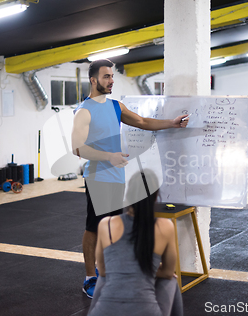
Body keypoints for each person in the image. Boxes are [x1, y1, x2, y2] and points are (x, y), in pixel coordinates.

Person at [71, 59, 189, 298]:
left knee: (114, 226)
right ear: (93, 80)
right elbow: (77, 148)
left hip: (116, 176)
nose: (111, 80)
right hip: (98, 177)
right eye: (106, 77)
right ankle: (89, 278)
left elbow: (143, 122)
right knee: (94, 227)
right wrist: (108, 156)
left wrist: (171, 123)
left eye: (112, 76)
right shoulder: (84, 110)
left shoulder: (116, 106)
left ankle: (107, 270)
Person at [88, 169, 183, 316]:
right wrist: (149, 268)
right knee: (171, 281)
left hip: (104, 312)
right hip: (146, 311)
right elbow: (169, 272)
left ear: (128, 194)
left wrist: (124, 268)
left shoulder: (106, 224)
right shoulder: (165, 226)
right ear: (156, 197)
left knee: (104, 279)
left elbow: (103, 270)